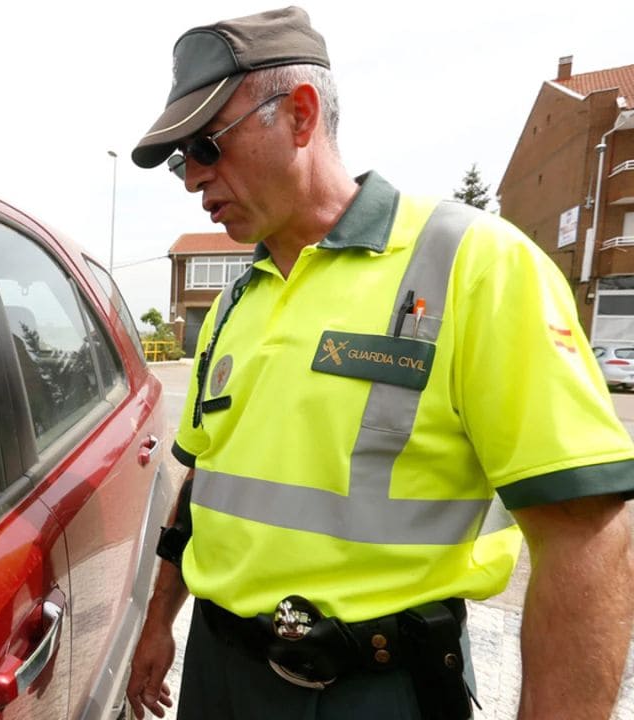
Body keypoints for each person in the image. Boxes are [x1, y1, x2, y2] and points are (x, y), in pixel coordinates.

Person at [124, 7, 634, 720]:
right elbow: (201, 487)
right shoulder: (238, 302)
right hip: (220, 673)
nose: (190, 178)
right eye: (182, 159)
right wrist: (157, 626)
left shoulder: (472, 264)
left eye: (206, 146)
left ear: (300, 114)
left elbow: (582, 531)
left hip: (374, 691)